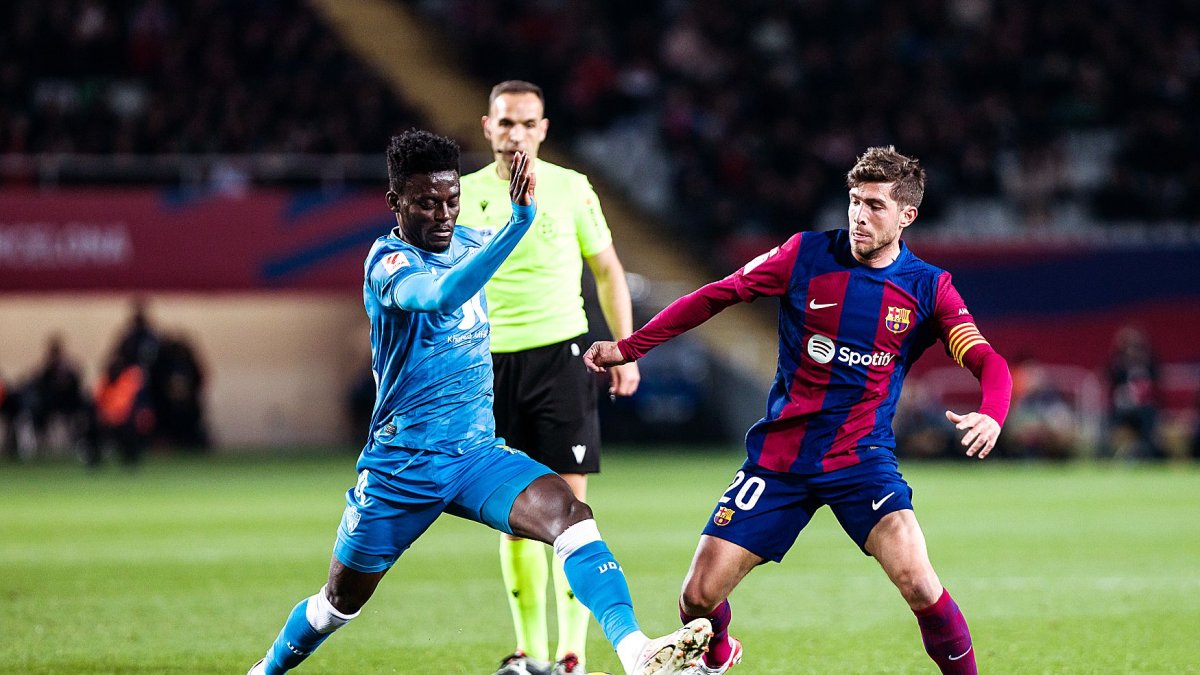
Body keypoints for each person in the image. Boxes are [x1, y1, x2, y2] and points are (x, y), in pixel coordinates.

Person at [246, 130, 710, 675]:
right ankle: (266, 670)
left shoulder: (470, 242)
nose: (443, 214)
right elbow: (441, 296)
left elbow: (539, 265)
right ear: (395, 203)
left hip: (476, 456)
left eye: (451, 199)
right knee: (338, 606)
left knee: (572, 517)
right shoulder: (388, 263)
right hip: (404, 468)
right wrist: (517, 223)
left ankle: (636, 652)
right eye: (426, 202)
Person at [585, 146, 1012, 674]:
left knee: (920, 583)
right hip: (780, 459)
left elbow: (986, 359)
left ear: (907, 216)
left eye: (875, 205)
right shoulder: (804, 255)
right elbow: (715, 296)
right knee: (697, 597)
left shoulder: (928, 287)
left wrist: (992, 411)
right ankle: (718, 657)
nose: (859, 215)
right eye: (854, 201)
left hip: (862, 461)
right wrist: (631, 346)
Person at [457, 79, 641, 675]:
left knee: (571, 509)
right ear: (487, 127)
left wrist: (627, 349)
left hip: (563, 358)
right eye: (505, 123)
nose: (516, 134)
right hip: (489, 364)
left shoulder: (571, 188)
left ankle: (570, 657)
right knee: (511, 513)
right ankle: (527, 652)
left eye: (527, 123)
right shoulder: (461, 195)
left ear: (544, 129)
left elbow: (608, 270)